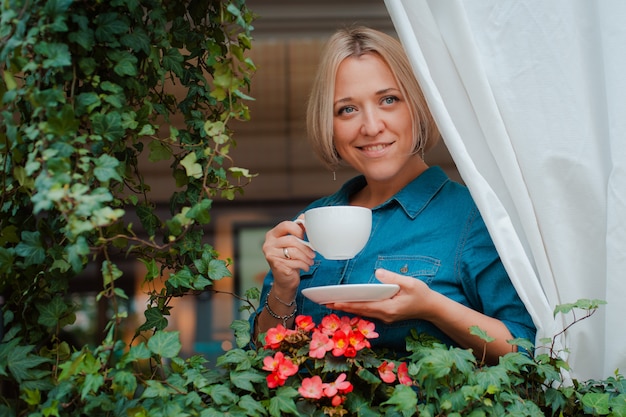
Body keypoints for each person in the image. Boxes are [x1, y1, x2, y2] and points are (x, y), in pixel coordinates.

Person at [250, 26, 535, 364]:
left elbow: (528, 350)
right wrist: (283, 287)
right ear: (330, 124)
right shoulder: (313, 221)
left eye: (388, 100)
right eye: (347, 109)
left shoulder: (475, 217)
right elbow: (264, 357)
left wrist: (434, 308)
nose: (371, 126)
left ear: (417, 105)